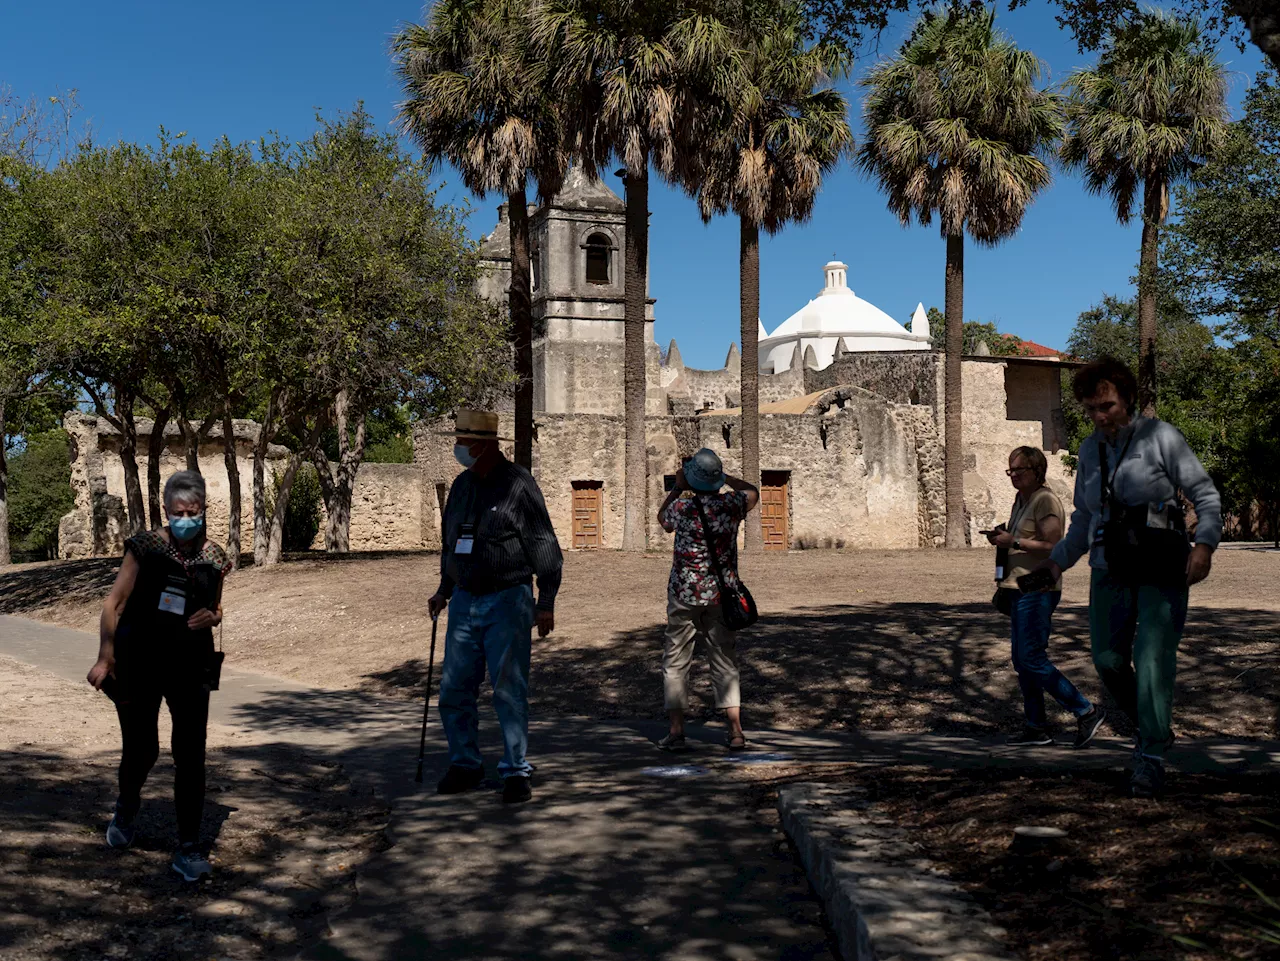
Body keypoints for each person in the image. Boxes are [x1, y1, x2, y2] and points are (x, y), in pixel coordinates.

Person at [1036, 358, 1221, 798]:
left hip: (1161, 564)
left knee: (1154, 656)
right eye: (1092, 409)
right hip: (1110, 566)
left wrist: (1204, 545)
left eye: (1108, 406)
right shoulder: (1088, 450)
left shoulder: (1162, 438)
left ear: (1127, 400)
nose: (1101, 416)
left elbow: (1205, 495)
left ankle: (1151, 755)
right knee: (1107, 659)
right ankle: (1152, 726)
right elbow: (1084, 517)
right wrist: (1059, 560)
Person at [87, 470, 232, 881]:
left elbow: (217, 606)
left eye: (194, 511)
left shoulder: (217, 557)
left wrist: (214, 616)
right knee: (142, 750)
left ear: (204, 509)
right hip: (140, 662)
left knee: (191, 754)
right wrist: (106, 657)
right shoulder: (144, 547)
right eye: (178, 512)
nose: (186, 518)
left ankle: (188, 847)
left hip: (191, 666)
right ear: (166, 510)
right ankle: (127, 807)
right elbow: (112, 604)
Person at [427, 410, 563, 804]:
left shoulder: (519, 485)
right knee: (454, 689)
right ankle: (465, 764)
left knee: (508, 689)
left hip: (508, 599)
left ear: (483, 445)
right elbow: (451, 542)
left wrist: (546, 602)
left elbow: (543, 544)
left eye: (463, 442)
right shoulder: (461, 487)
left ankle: (515, 770)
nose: (458, 448)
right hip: (465, 600)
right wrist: (444, 589)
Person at [988, 446, 1103, 748]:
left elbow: (1054, 545)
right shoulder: (1020, 500)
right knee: (1022, 660)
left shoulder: (1045, 500)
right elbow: (1017, 545)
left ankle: (1085, 710)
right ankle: (1036, 726)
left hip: (1038, 587)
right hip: (1017, 586)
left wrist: (1014, 540)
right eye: (1009, 470)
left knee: (1031, 658)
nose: (1012, 476)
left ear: (1037, 471)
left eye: (1019, 470)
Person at [655, 448, 760, 752]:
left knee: (675, 663)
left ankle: (676, 732)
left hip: (684, 594)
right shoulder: (731, 504)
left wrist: (677, 486)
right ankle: (736, 732)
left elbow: (663, 519)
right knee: (725, 661)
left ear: (691, 480)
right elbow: (752, 492)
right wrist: (722, 477)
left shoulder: (683, 507)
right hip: (720, 595)